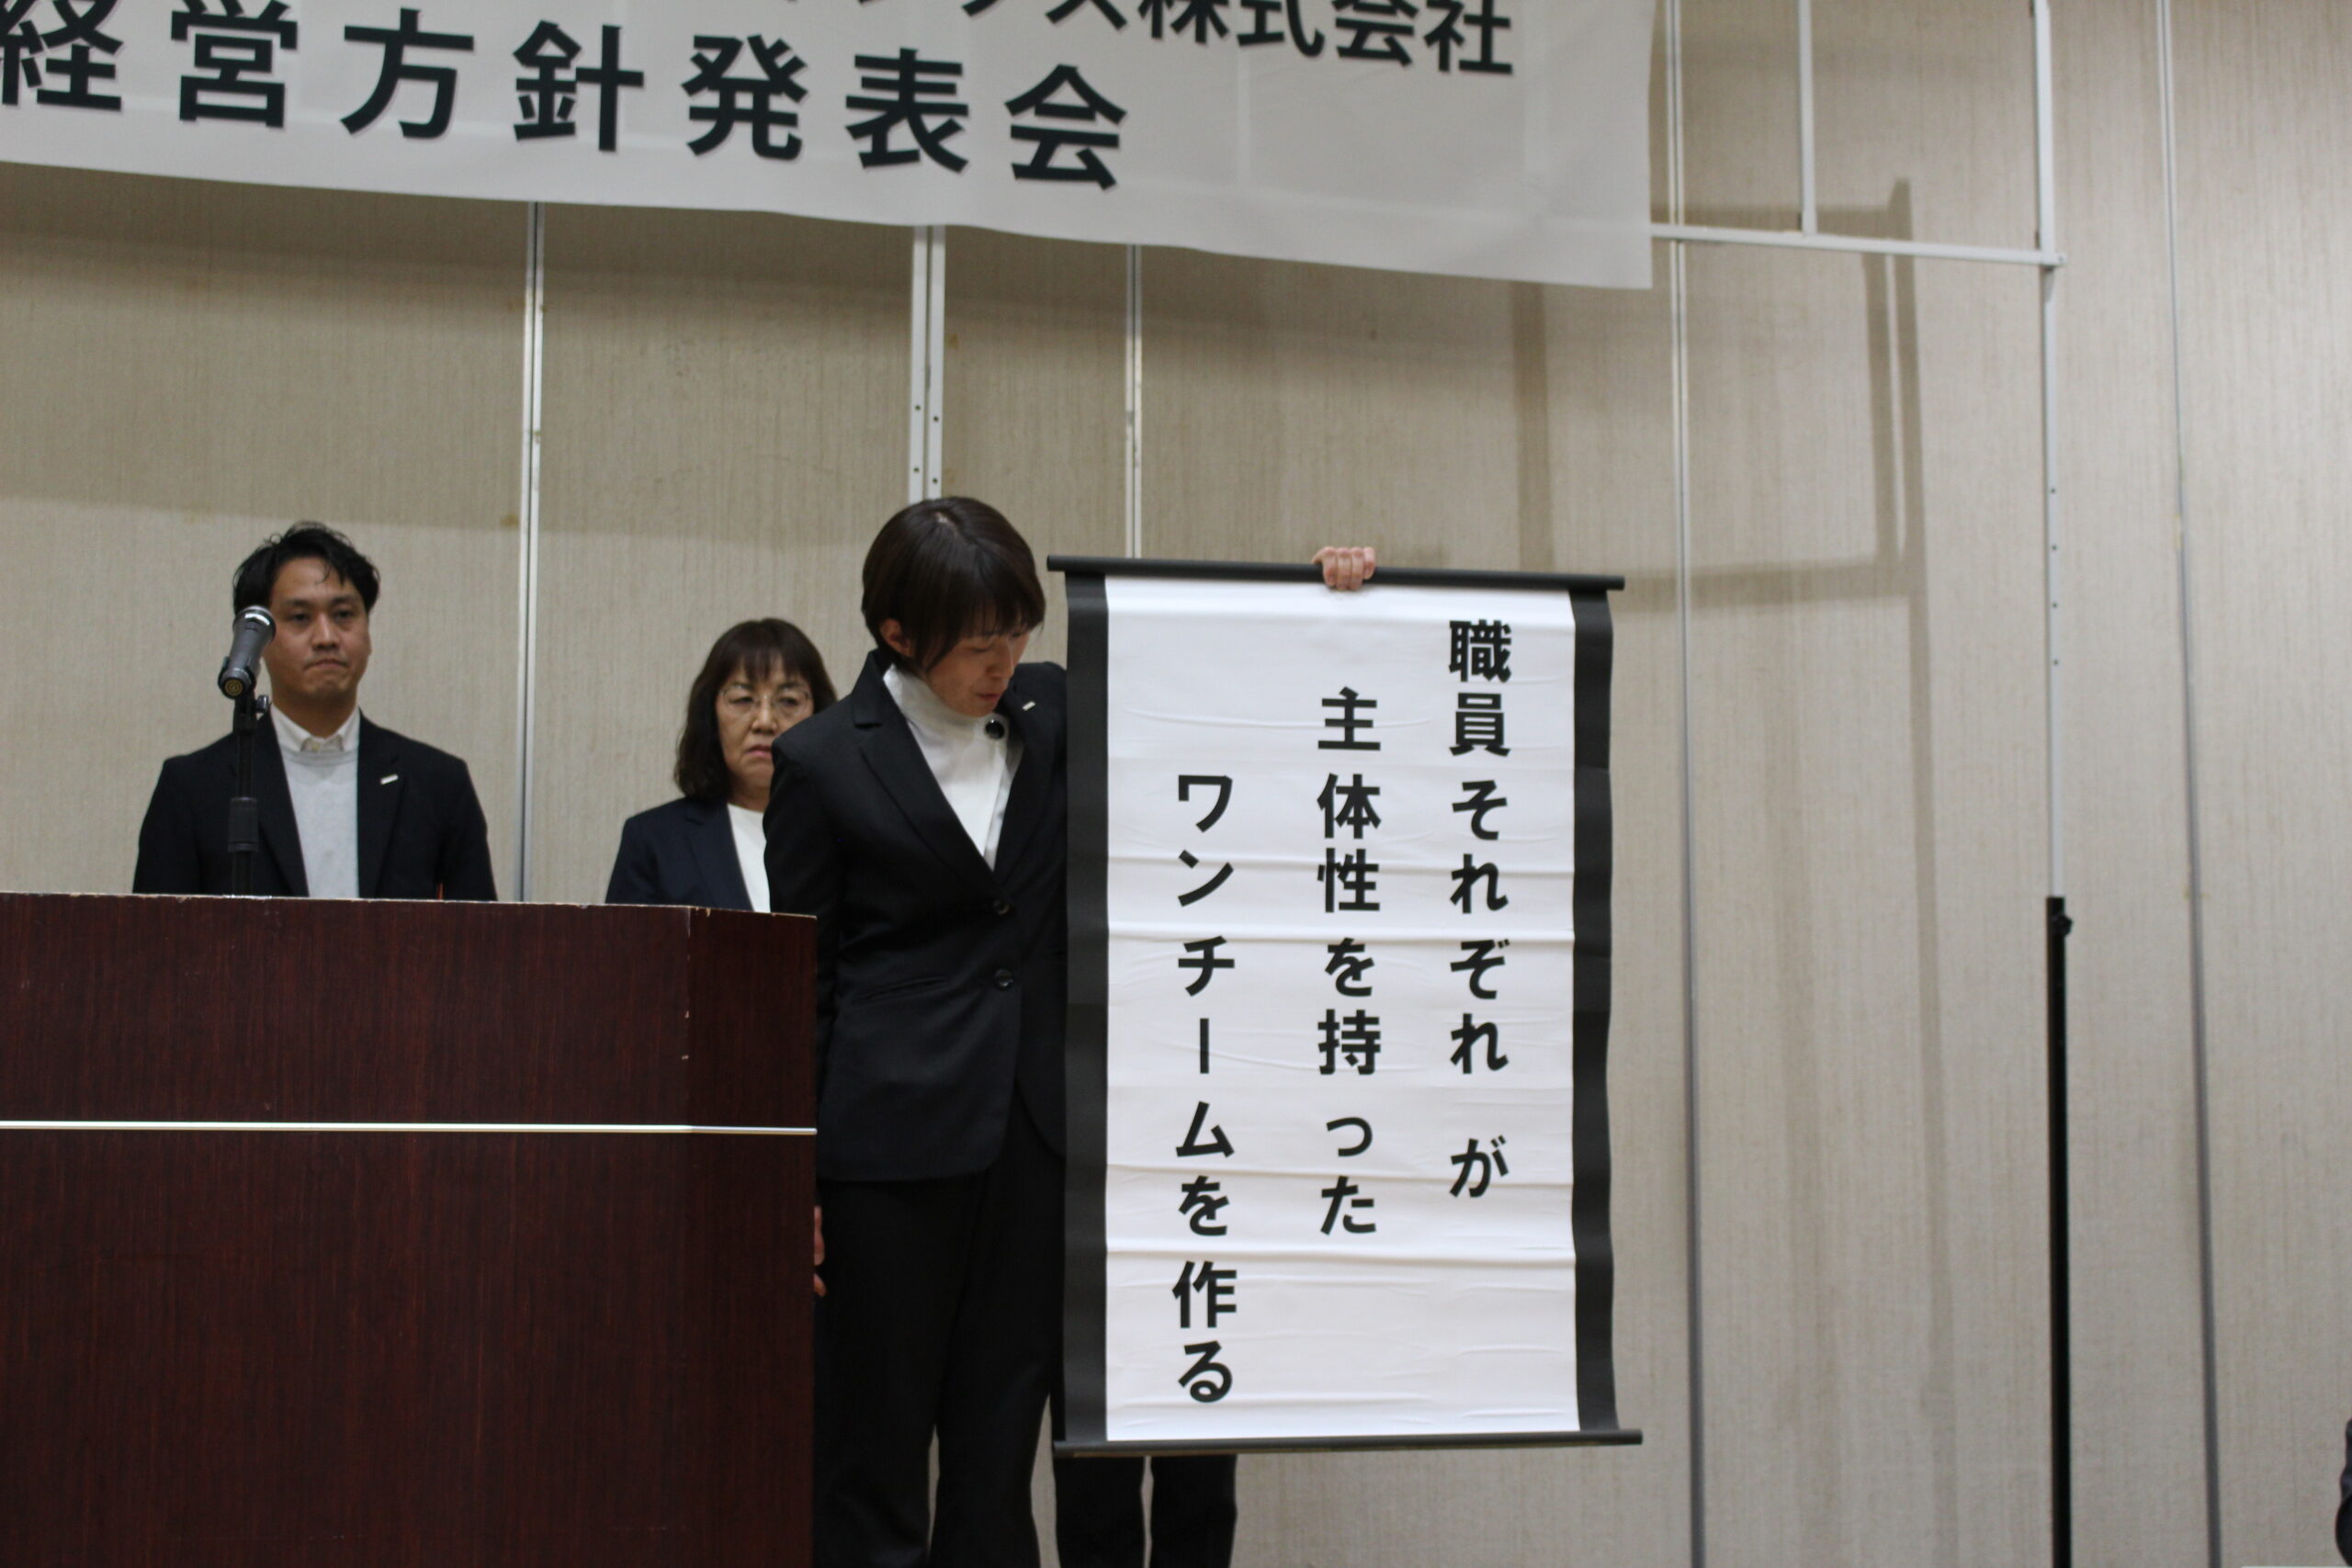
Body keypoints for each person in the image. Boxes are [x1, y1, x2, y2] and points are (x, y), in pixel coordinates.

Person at [764, 495, 1373, 1568]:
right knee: (874, 1449)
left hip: (1040, 1140)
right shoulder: (822, 759)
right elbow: (799, 987)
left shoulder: (1052, 710)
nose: (1002, 661)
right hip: (887, 1149)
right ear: (898, 633)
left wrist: (1323, 595)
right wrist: (790, 1175)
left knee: (998, 1454)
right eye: (977, 642)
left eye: (1016, 632)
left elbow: (1219, 692)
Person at [133, 524, 496, 900]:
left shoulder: (438, 784)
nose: (326, 637)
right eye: (300, 618)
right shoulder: (193, 787)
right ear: (261, 638)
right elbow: (157, 934)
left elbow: (479, 932)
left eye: (343, 614)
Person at [605, 618, 836, 911]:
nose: (765, 721)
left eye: (789, 701)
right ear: (711, 716)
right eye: (743, 699)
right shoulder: (655, 840)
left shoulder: (853, 834)